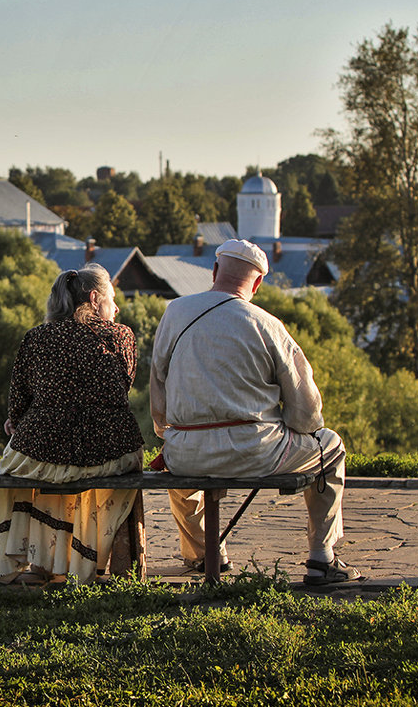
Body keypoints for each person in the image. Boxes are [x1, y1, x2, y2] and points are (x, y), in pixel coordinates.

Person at [149, 239, 360, 585]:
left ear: (214, 271)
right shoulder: (267, 324)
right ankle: (322, 559)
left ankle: (205, 554)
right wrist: (294, 428)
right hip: (255, 451)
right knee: (331, 446)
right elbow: (306, 409)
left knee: (177, 466)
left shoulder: (175, 311)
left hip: (187, 451)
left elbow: (158, 385)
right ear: (258, 283)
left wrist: (169, 430)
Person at [0, 264, 146, 585]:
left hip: (40, 453)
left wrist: (19, 422)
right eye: (111, 299)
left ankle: (40, 561)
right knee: (91, 469)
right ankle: (84, 561)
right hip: (107, 452)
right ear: (94, 298)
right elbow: (121, 389)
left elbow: (18, 405)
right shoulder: (121, 335)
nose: (116, 308)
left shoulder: (36, 338)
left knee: (35, 464)